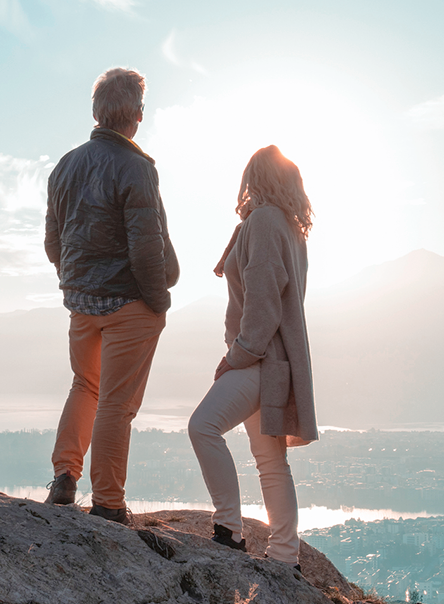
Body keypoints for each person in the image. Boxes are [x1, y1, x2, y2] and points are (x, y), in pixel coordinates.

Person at [42, 67, 179, 524]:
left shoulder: (65, 165)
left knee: (85, 385)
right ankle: (108, 504)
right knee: (116, 405)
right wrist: (158, 302)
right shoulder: (137, 168)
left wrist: (75, 280)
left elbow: (53, 243)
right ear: (138, 115)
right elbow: (146, 247)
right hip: (128, 304)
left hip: (81, 304)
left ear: (97, 112)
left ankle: (64, 476)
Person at [188, 145, 317, 568]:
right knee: (270, 462)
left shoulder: (262, 222)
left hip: (260, 359)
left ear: (254, 179)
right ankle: (285, 556)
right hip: (281, 362)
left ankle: (228, 530)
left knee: (203, 427)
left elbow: (263, 302)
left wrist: (239, 354)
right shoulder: (291, 229)